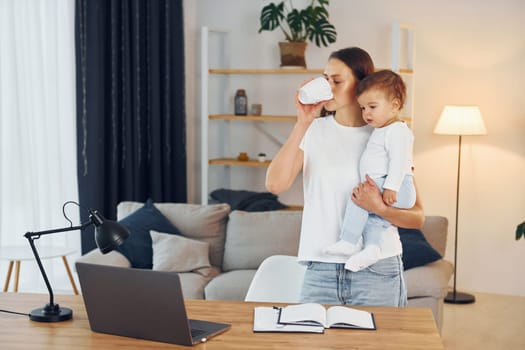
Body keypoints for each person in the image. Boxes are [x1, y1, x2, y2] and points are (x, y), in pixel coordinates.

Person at [265, 47, 424, 307]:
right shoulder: (313, 131)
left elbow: (417, 216)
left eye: (337, 81)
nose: (328, 87)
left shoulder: (387, 135)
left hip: (377, 270)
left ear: (361, 85)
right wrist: (302, 122)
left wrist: (379, 207)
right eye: (325, 78)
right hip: (320, 270)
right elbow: (275, 184)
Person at [323, 69, 416, 272]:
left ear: (395, 105)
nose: (367, 113)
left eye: (372, 107)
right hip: (385, 183)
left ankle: (349, 240)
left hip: (397, 186)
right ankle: (372, 248)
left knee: (360, 197)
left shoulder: (397, 130)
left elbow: (399, 161)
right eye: (363, 108)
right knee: (374, 219)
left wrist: (391, 187)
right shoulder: (382, 129)